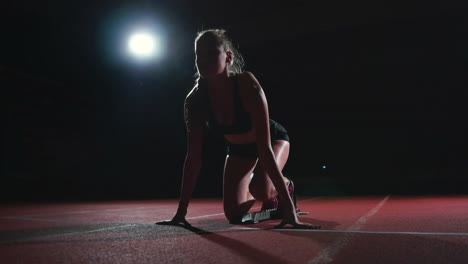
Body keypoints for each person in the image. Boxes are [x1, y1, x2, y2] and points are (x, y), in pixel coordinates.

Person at [157, 29, 317, 229]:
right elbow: (193, 158)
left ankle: (286, 187)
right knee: (233, 215)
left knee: (260, 189)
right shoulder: (195, 100)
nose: (203, 60)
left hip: (272, 140)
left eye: (212, 53)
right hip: (238, 150)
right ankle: (271, 203)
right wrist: (181, 212)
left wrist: (290, 212)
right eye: (199, 55)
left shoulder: (246, 84)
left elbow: (265, 149)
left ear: (228, 57)